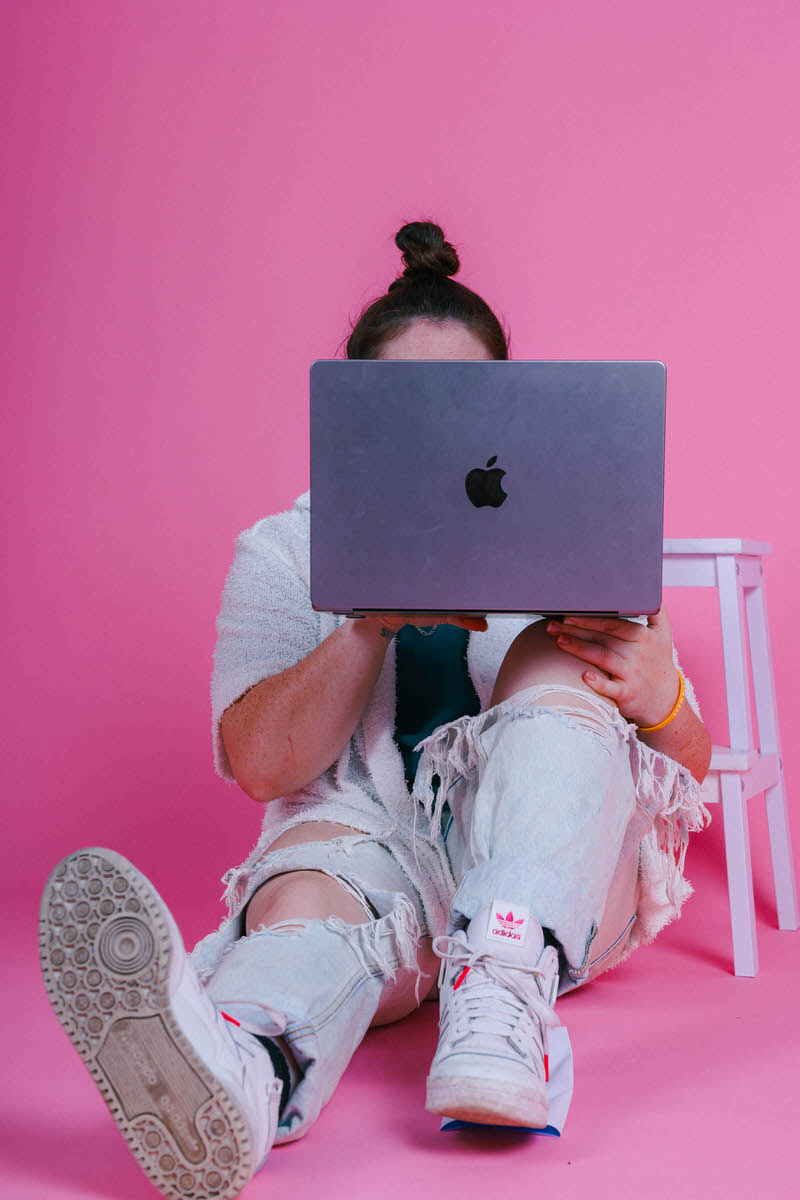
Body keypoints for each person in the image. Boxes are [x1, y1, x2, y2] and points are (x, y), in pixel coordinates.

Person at [39, 220, 714, 1199]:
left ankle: (501, 994)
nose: (442, 436)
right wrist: (366, 621)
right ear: (354, 422)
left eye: (467, 404)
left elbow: (684, 764)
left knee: (548, 657)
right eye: (407, 410)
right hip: (366, 856)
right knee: (306, 908)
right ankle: (241, 1069)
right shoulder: (282, 551)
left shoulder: (569, 541)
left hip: (545, 877)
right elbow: (264, 767)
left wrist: (662, 696)